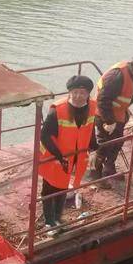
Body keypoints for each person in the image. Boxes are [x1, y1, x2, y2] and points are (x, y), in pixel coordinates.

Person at [38, 75, 98, 236]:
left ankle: (58, 219)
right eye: (75, 92)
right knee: (50, 188)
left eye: (82, 93)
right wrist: (59, 156)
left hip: (74, 155)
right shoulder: (58, 110)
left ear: (88, 94)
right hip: (53, 155)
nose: (78, 96)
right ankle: (49, 222)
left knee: (63, 186)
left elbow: (90, 127)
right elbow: (44, 135)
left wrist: (94, 147)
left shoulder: (92, 106)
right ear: (69, 93)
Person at [92, 51, 133, 181]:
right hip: (105, 115)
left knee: (117, 143)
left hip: (119, 114)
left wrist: (125, 109)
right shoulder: (117, 76)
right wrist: (109, 121)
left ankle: (109, 169)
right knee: (104, 145)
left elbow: (123, 95)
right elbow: (102, 100)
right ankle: (96, 176)